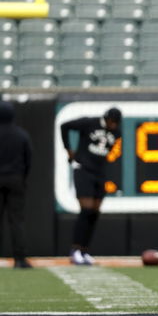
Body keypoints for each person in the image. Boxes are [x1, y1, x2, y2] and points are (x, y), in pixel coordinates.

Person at [60, 107, 122, 265]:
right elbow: (64, 126)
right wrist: (69, 150)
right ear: (106, 118)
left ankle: (85, 250)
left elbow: (107, 151)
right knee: (86, 210)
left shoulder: (117, 133)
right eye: (112, 122)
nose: (114, 126)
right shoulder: (90, 123)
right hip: (84, 170)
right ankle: (75, 250)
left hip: (100, 173)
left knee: (94, 213)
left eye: (116, 123)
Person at [0, 101, 33, 269]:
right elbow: (29, 160)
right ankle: (20, 259)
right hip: (16, 179)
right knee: (17, 221)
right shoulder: (21, 134)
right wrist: (22, 177)